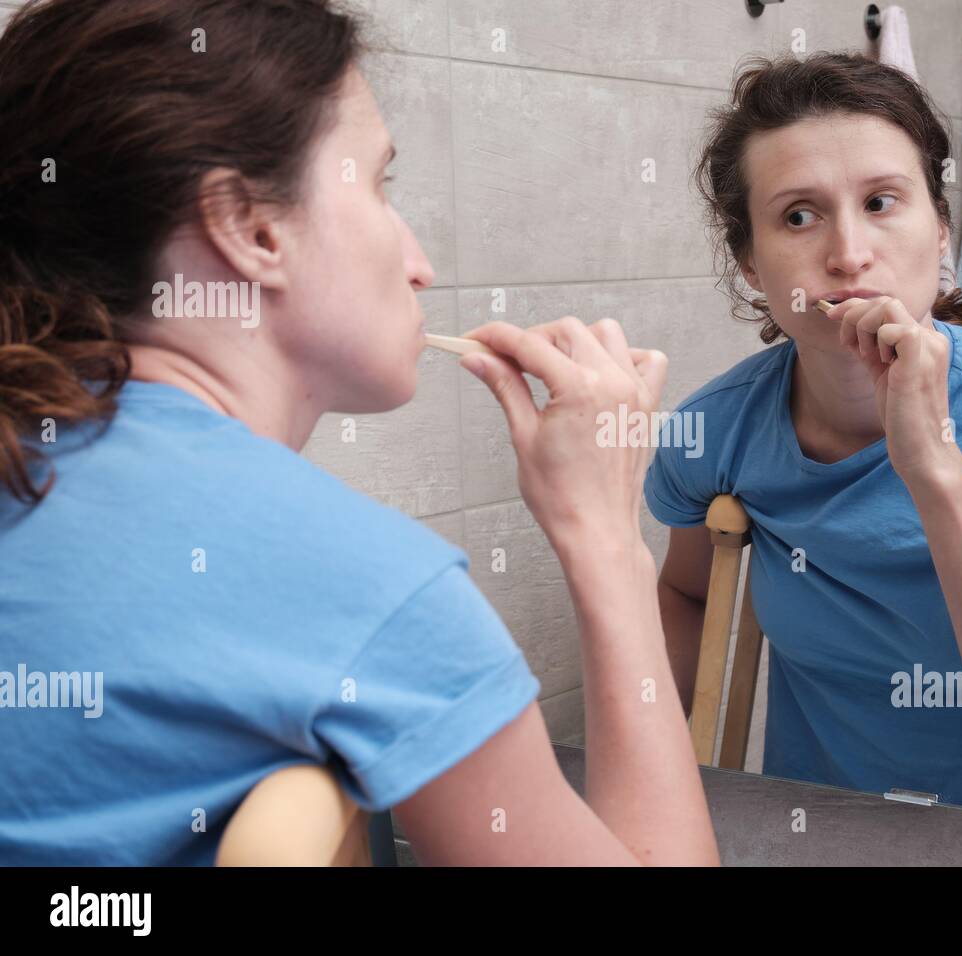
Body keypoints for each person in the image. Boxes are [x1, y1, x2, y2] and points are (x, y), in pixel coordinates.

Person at [0, 0, 718, 865]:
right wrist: (603, 535)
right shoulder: (358, 586)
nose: (419, 263)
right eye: (379, 185)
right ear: (250, 227)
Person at [646, 54, 962, 810]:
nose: (847, 256)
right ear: (748, 260)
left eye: (881, 201)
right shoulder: (715, 433)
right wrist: (656, 771)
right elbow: (687, 593)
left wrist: (932, 464)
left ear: (941, 228)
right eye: (798, 216)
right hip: (817, 832)